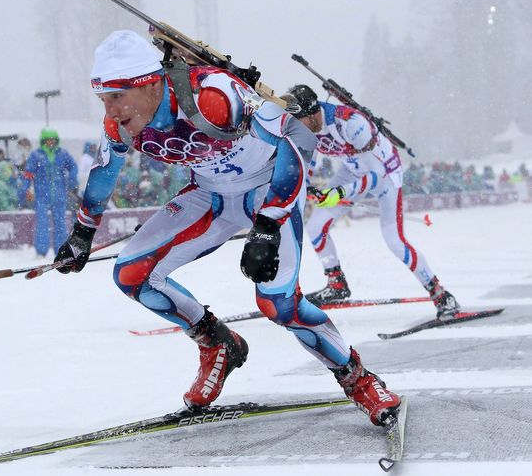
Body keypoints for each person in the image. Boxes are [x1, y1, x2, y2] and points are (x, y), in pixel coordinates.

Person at [53, 30, 400, 426]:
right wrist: (82, 234)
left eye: (117, 96)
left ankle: (358, 379)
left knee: (277, 304)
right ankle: (219, 343)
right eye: (103, 99)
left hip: (269, 189)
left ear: (149, 83)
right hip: (211, 195)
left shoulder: (213, 96)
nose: (111, 111)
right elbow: (103, 172)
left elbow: (298, 135)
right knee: (133, 275)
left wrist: (269, 223)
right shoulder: (120, 125)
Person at [283, 84, 460, 319]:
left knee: (394, 240)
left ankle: (440, 294)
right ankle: (337, 284)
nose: (298, 128)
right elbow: (307, 165)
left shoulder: (350, 124)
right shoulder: (307, 126)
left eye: (300, 121)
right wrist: (303, 186)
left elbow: (377, 175)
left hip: (385, 175)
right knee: (315, 226)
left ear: (313, 113)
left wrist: (341, 192)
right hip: (350, 172)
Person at [21, 128, 79, 257]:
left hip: (59, 195)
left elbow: (73, 166)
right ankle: (41, 251)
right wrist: (25, 189)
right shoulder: (36, 155)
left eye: (53, 139)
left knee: (60, 224)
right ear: (43, 141)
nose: (51, 142)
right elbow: (28, 173)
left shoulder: (62, 154)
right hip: (42, 195)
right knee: (42, 223)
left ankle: (60, 250)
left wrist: (73, 179)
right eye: (48, 140)